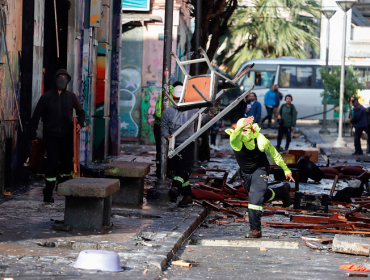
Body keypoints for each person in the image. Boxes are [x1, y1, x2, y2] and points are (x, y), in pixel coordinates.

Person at [226, 116, 294, 238]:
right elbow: (236, 134)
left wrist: (286, 169)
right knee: (259, 194)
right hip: (246, 172)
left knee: (255, 196)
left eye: (247, 130)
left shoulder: (261, 140)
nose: (244, 132)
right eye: (242, 130)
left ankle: (255, 229)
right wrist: (241, 126)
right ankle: (283, 191)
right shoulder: (235, 140)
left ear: (252, 130)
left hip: (261, 169)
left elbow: (274, 154)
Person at [29, 69, 85, 203]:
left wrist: (80, 124)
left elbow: (81, 112)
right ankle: (48, 192)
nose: (62, 79)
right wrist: (33, 135)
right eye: (60, 77)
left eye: (65, 77)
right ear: (55, 79)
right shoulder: (46, 97)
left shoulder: (71, 97)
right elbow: (35, 117)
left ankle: (64, 189)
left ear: (68, 81)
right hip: (51, 136)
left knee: (66, 164)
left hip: (67, 136)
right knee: (52, 164)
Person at [161, 86, 219, 206]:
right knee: (181, 171)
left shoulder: (193, 110)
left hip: (188, 143)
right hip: (174, 144)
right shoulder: (168, 112)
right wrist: (168, 137)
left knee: (182, 168)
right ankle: (187, 195)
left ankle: (175, 188)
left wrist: (209, 114)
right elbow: (164, 128)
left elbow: (201, 120)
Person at [153, 81, 182, 179]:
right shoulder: (168, 95)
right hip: (163, 125)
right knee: (167, 149)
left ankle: (163, 171)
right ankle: (164, 171)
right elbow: (158, 114)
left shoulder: (164, 95)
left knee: (162, 150)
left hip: (162, 125)